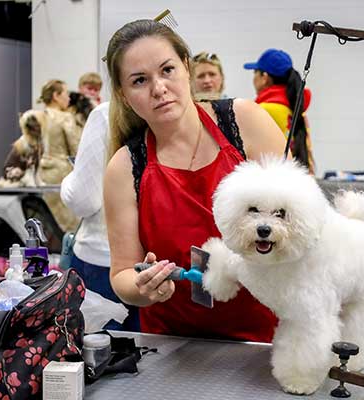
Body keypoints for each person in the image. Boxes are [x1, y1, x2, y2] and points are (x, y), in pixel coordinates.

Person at [102, 19, 287, 342]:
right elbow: (122, 274)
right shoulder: (124, 167)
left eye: (167, 70)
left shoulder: (246, 122)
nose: (159, 88)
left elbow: (302, 219)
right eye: (140, 80)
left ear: (186, 67)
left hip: (267, 339)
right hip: (173, 345)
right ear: (123, 94)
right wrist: (144, 287)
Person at [60, 101, 139, 331]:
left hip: (103, 260)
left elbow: (83, 200)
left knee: (100, 347)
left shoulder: (106, 114)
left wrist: (68, 180)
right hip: (161, 267)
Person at [244, 49, 315, 174]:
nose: (253, 78)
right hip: (297, 177)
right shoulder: (297, 110)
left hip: (271, 180)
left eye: (255, 72)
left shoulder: (264, 110)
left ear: (264, 77)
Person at [37, 79, 82, 232]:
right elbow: (76, 148)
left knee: (45, 222)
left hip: (40, 174)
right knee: (67, 224)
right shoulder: (65, 117)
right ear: (56, 96)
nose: (69, 98)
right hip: (61, 174)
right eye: (66, 94)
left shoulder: (36, 116)